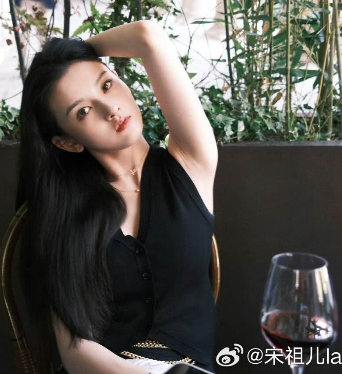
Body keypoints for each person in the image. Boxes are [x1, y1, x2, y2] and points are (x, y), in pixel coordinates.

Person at [16, 20, 219, 374]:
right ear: (68, 142)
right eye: (83, 111)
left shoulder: (191, 162)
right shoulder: (64, 212)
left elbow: (147, 37)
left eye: (107, 85)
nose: (110, 109)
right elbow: (76, 351)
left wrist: (76, 50)